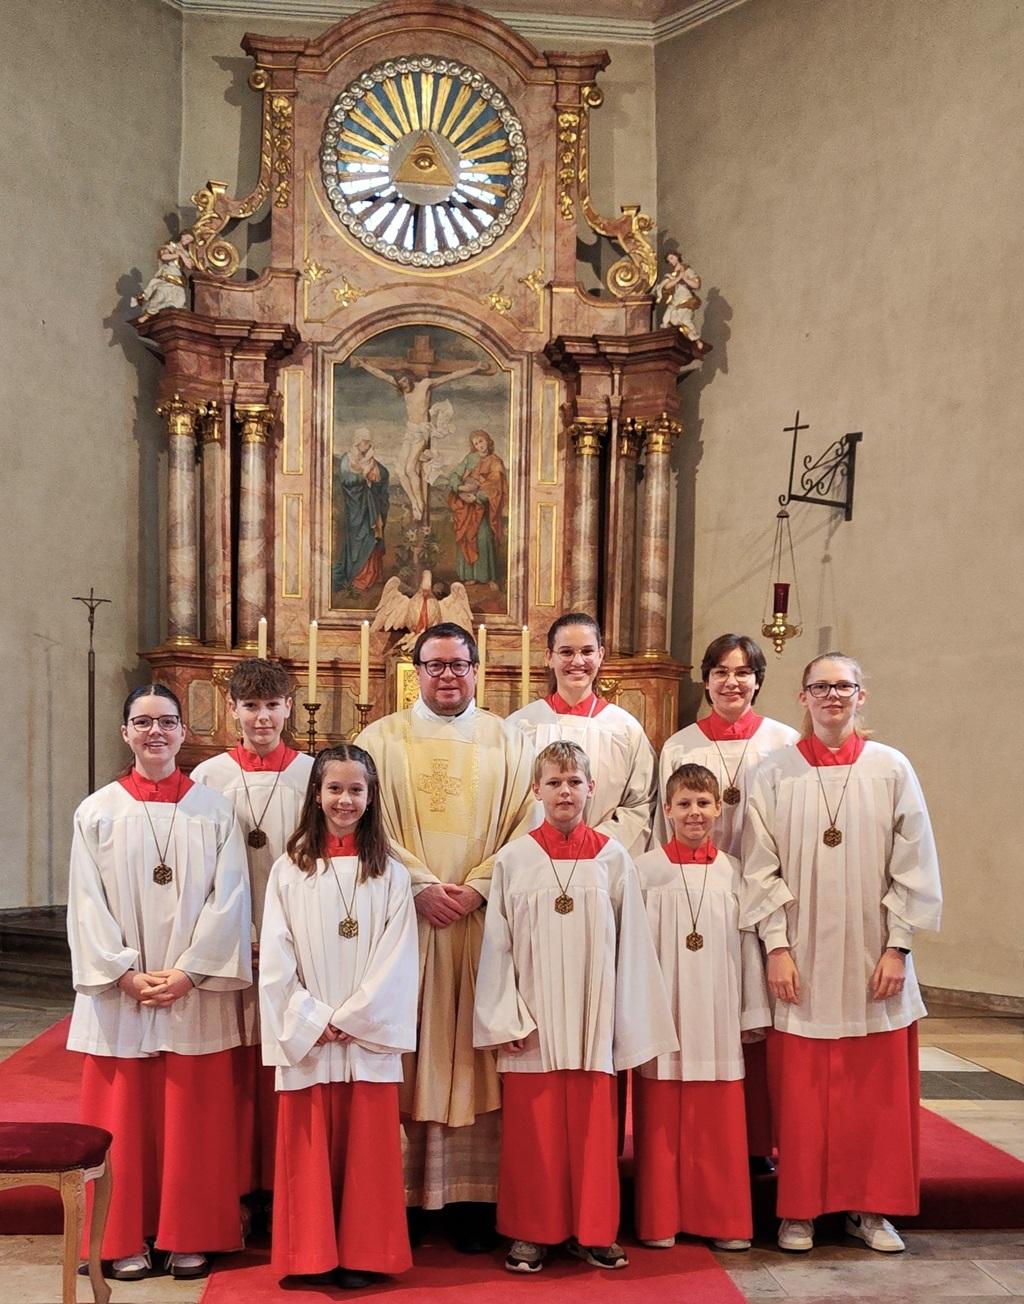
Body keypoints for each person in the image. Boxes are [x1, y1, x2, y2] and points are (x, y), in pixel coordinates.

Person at [742, 653, 942, 1254]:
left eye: (843, 686)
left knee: (870, 1094)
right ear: (802, 698)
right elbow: (759, 868)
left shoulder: (891, 768)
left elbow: (916, 863)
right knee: (802, 1094)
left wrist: (898, 947)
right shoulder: (774, 772)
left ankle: (870, 1208)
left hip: (872, 956)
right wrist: (775, 946)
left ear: (862, 697)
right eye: (820, 687)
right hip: (801, 955)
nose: (832, 696)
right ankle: (798, 1210)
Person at [355, 622, 536, 1246]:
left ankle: (472, 1199)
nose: (448, 676)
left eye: (459, 664)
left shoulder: (510, 742)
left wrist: (481, 885)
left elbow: (527, 826)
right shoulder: (378, 741)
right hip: (406, 923)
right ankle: (405, 1197)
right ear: (416, 670)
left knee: (475, 1047)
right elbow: (361, 819)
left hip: (483, 922)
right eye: (434, 665)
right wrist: (420, 886)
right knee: (408, 1047)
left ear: (477, 669)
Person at [67, 685, 251, 1281]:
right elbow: (84, 904)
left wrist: (190, 971)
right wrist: (120, 971)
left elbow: (231, 900)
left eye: (167, 722)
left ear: (182, 732)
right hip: (122, 990)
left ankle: (189, 1232)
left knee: (192, 1115)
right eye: (143, 722)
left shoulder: (215, 809)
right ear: (125, 732)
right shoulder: (96, 811)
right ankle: (120, 1237)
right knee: (123, 1115)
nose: (156, 732)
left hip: (189, 989)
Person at [474, 741, 676, 1274]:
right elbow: (498, 943)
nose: (565, 792)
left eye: (575, 782)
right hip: (534, 1021)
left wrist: (626, 1023)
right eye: (555, 783)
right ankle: (529, 1232)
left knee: (592, 1132)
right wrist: (503, 1018)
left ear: (591, 789)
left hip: (594, 1016)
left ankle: (594, 1230)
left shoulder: (613, 857)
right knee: (532, 1132)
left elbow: (632, 944)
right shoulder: (514, 858)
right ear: (536, 790)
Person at [259, 744, 418, 1289]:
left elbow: (399, 958)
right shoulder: (289, 869)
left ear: (372, 798)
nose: (345, 800)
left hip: (362, 1041)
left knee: (368, 1152)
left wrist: (348, 1020)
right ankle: (309, 1255)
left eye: (356, 790)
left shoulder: (392, 874)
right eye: (334, 788)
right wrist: (309, 1018)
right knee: (307, 1148)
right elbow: (275, 956)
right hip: (313, 1039)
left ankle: (365, 1255)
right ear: (316, 794)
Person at [659, 633, 798, 1169]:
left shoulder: (783, 743)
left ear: (758, 679)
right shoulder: (682, 744)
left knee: (757, 1015)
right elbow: (660, 826)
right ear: (707, 680)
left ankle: (758, 1141)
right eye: (719, 672)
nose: (731, 682)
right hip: (699, 895)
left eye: (742, 673)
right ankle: (702, 1136)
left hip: (764, 893)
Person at [633, 763, 770, 1253]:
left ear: (718, 808)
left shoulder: (734, 872)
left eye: (703, 803)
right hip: (663, 1013)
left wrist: (752, 1013)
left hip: (716, 1013)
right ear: (667, 810)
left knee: (719, 1123)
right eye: (684, 804)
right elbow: (632, 952)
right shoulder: (645, 870)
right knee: (661, 1122)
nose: (695, 813)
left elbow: (750, 948)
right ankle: (659, 1217)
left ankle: (724, 1218)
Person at [191, 659, 314, 1195]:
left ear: (289, 705)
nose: (261, 718)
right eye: (250, 707)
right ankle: (237, 1184)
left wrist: (282, 940)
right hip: (229, 940)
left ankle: (283, 1181)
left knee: (285, 1060)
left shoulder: (313, 775)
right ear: (232, 710)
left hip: (296, 939)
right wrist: (233, 936)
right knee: (236, 1067)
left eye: (271, 705)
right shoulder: (208, 778)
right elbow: (197, 873)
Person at [506, 613, 658, 857]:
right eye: (566, 652)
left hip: (601, 860)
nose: (577, 661)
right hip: (534, 859)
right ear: (549, 657)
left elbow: (641, 804)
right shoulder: (520, 726)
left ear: (600, 655)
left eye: (587, 651)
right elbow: (508, 806)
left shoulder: (625, 729)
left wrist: (595, 844)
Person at [351, 355, 488, 522]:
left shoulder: (424, 385)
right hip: (410, 431)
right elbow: (381, 374)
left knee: (410, 468)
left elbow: (451, 376)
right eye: (400, 384)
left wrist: (476, 367)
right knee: (400, 470)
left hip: (421, 432)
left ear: (409, 378)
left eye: (404, 382)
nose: (403, 386)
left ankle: (420, 505)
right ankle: (414, 502)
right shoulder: (403, 389)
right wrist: (363, 364)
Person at [446, 430, 507, 587]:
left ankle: (487, 576)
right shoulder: (470, 459)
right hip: (466, 506)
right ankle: (469, 575)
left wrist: (478, 497)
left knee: (483, 537)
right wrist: (458, 488)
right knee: (466, 536)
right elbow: (454, 474)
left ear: (487, 440)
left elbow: (496, 486)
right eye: (476, 443)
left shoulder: (495, 462)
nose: (480, 445)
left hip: (482, 507)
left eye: (481, 441)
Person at [333, 430, 390, 594]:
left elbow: (383, 474)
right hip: (356, 509)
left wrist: (375, 474)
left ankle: (371, 576)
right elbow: (346, 480)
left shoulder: (370, 460)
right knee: (360, 541)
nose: (367, 445)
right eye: (365, 442)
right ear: (358, 442)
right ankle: (358, 578)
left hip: (371, 508)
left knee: (373, 538)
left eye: (369, 442)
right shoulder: (347, 459)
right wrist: (363, 475)